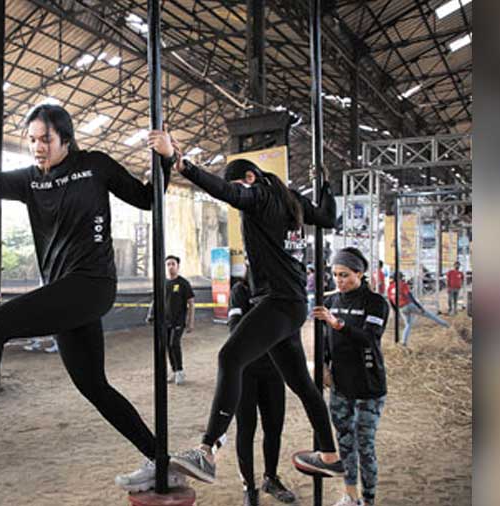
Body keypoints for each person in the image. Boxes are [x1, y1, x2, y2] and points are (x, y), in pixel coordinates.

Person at [0, 104, 182, 493]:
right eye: (32, 140)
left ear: (66, 139)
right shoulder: (29, 181)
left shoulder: (95, 166)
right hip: (65, 292)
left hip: (92, 284)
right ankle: (160, 460)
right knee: (94, 386)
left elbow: (147, 199)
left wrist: (166, 159)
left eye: (46, 139)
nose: (38, 147)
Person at [166, 151, 344, 483]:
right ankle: (330, 456)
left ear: (249, 178)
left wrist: (185, 166)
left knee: (229, 357)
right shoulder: (290, 200)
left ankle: (207, 451)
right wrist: (327, 189)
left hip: (277, 302)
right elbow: (327, 218)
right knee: (303, 385)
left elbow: (227, 192)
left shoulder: (259, 194)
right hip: (291, 305)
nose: (240, 200)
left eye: (240, 186)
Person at [311, 248, 389, 506]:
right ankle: (350, 495)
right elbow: (324, 340)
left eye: (344, 275)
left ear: (360, 273)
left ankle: (369, 499)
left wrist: (338, 324)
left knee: (365, 445)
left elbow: (370, 338)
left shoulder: (376, 302)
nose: (339, 280)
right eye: (335, 275)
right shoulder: (332, 302)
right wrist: (322, 366)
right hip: (341, 385)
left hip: (368, 385)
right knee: (344, 442)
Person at [229, 271, 296, 506]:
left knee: (274, 427)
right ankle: (249, 486)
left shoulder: (281, 293)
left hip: (274, 371)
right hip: (245, 371)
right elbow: (235, 328)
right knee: (246, 429)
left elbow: (290, 331)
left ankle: (271, 478)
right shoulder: (241, 291)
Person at [147, 255, 195, 385]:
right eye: (168, 264)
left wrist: (190, 322)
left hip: (179, 321)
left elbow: (191, 303)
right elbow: (155, 300)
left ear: (178, 266)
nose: (170, 266)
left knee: (174, 344)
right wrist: (150, 315)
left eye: (173, 264)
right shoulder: (163, 283)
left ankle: (180, 371)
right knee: (168, 346)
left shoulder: (183, 283)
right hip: (165, 321)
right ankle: (174, 371)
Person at [388, 272, 449, 347]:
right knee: (430, 315)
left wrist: (396, 311)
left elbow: (391, 301)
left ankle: (404, 341)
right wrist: (419, 307)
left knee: (408, 324)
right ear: (400, 277)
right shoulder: (403, 284)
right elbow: (409, 296)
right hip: (409, 305)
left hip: (401, 308)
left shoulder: (390, 288)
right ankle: (447, 325)